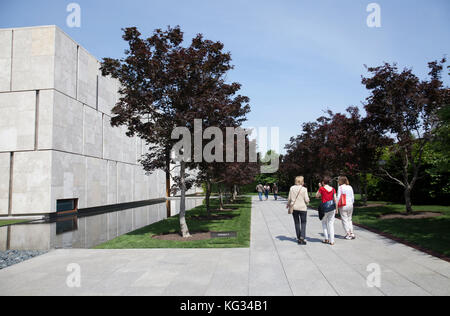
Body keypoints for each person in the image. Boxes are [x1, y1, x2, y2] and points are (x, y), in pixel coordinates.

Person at [287, 176, 310, 245]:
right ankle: (302, 237)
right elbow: (306, 199)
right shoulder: (304, 189)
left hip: (294, 207)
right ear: (301, 181)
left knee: (296, 222)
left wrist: (288, 204)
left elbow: (289, 198)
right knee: (303, 222)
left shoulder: (292, 188)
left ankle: (298, 237)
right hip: (303, 208)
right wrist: (308, 201)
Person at [316, 176, 338, 245]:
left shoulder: (322, 189)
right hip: (332, 208)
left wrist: (319, 187)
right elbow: (335, 199)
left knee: (324, 223)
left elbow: (317, 196)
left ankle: (326, 239)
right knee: (331, 224)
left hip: (324, 208)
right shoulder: (333, 189)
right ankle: (332, 241)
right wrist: (336, 209)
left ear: (323, 182)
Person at [337, 176, 356, 240]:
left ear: (341, 181)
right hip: (350, 204)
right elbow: (352, 197)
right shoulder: (350, 187)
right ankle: (352, 233)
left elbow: (338, 197)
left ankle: (348, 234)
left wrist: (336, 204)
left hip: (343, 205)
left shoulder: (340, 187)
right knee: (349, 219)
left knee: (344, 219)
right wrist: (352, 203)